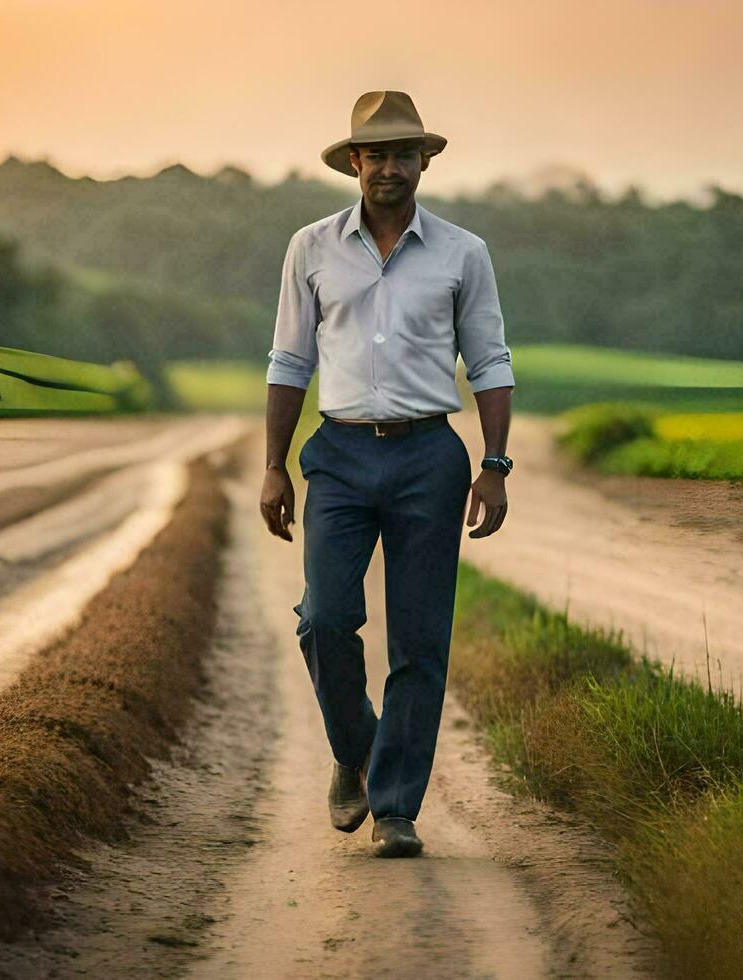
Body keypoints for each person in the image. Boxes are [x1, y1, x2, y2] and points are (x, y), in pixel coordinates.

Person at [258, 90, 516, 858]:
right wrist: (273, 466)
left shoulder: (463, 253)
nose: (392, 168)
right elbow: (289, 361)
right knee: (325, 620)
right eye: (379, 155)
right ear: (356, 163)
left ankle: (396, 808)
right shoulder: (311, 248)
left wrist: (494, 465)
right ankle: (359, 753)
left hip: (428, 457)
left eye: (407, 154)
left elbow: (491, 361)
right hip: (337, 455)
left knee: (420, 641)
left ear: (425, 162)